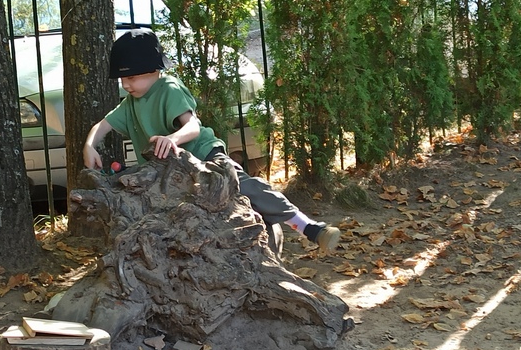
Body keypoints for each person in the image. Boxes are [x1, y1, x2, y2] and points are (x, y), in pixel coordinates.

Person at [83, 28, 341, 253]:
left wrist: (172, 139)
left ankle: (308, 227)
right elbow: (101, 126)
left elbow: (192, 126)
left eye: (131, 78)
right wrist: (90, 145)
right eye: (123, 79)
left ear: (153, 70)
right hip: (171, 172)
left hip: (203, 155)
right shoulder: (130, 103)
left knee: (242, 185)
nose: (126, 84)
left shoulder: (169, 88)